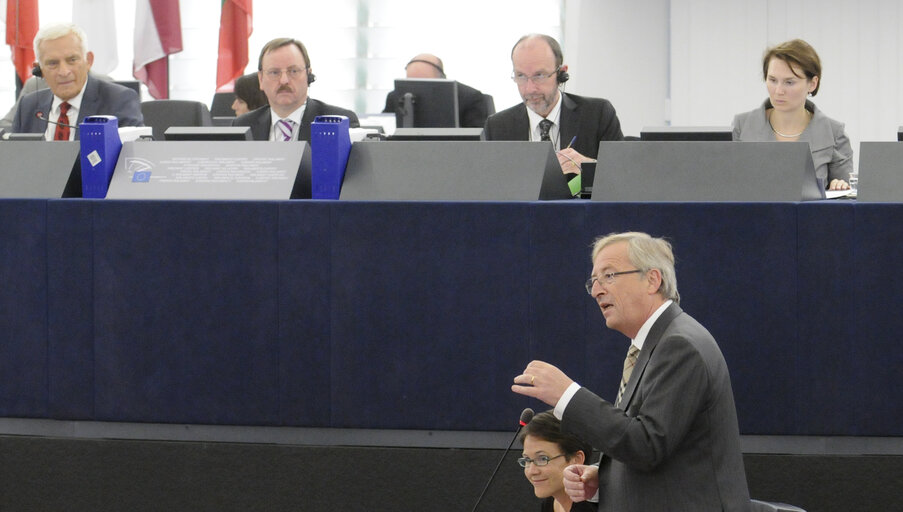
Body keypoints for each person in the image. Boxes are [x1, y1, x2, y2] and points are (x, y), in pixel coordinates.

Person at [512, 232, 750, 512]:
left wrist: (567, 395)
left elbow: (647, 445)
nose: (596, 290)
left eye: (609, 276)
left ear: (652, 280)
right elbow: (649, 446)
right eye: (593, 281)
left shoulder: (679, 345)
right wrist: (604, 476)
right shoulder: (654, 346)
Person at [483, 34, 623, 176]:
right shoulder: (497, 127)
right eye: (521, 76)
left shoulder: (597, 115)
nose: (530, 89)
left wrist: (590, 169)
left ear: (562, 74)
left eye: (539, 75)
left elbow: (622, 175)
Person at [733, 39, 853, 191]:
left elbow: (846, 201)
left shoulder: (834, 133)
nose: (778, 91)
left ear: (812, 84)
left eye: (789, 82)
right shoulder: (741, 126)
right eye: (772, 80)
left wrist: (840, 187)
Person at [11, 23, 143, 139]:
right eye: (52, 63)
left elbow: (132, 161)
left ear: (88, 61)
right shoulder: (28, 106)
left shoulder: (119, 101)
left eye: (72, 60)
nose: (64, 72)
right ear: (40, 70)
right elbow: (15, 159)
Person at [233, 38, 360, 141]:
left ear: (308, 75)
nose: (284, 80)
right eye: (274, 72)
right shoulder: (243, 125)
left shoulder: (340, 122)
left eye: (293, 71)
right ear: (261, 79)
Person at [382, 53, 489, 128]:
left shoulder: (470, 98)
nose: (417, 91)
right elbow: (385, 130)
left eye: (424, 84)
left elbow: (477, 141)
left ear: (441, 78)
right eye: (411, 83)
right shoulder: (395, 97)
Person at [520, 411, 596, 512]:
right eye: (527, 460)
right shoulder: (549, 503)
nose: (531, 471)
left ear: (576, 459)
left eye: (543, 459)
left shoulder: (599, 508)